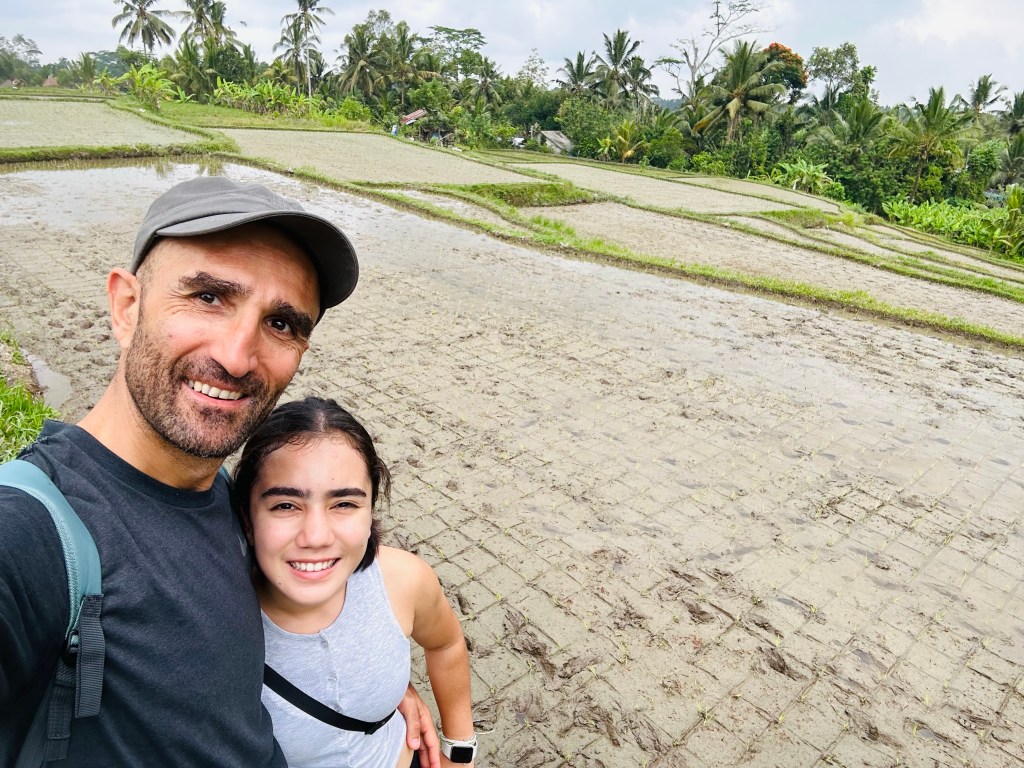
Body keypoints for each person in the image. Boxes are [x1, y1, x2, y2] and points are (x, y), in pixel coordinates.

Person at [0, 176, 437, 767]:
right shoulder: (35, 536)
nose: (236, 356)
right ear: (127, 307)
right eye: (208, 296)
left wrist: (383, 692)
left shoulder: (234, 504)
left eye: (281, 323)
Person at [233, 397, 477, 768]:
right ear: (248, 520)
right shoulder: (218, 625)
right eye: (285, 505)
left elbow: (445, 644)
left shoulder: (403, 580)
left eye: (344, 504)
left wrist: (459, 750)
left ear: (370, 514)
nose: (315, 536)